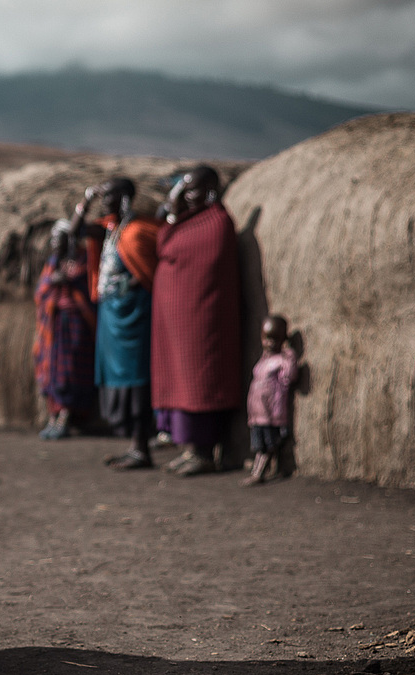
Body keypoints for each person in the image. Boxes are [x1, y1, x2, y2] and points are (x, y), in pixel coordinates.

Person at [152, 166, 244, 476]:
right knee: (177, 378)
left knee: (199, 380)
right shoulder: (186, 222)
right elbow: (163, 245)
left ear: (210, 190)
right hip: (178, 322)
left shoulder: (216, 223)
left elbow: (204, 267)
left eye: (191, 190)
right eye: (183, 189)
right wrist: (174, 204)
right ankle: (188, 448)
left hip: (201, 320)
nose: (186, 196)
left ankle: (203, 452)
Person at [72, 177, 161, 469]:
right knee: (118, 380)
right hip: (111, 316)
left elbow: (152, 270)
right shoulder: (108, 228)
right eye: (102, 196)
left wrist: (128, 286)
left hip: (135, 315)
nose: (103, 200)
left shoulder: (139, 230)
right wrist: (84, 200)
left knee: (137, 379)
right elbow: (75, 231)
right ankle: (134, 446)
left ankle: (141, 448)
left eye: (109, 195)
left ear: (124, 197)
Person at [33, 218, 96, 439]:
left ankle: (66, 417)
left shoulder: (83, 260)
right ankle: (54, 416)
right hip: (54, 325)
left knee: (71, 371)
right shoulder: (52, 263)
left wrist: (68, 281)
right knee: (52, 371)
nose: (54, 243)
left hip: (76, 323)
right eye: (53, 240)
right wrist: (53, 280)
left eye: (59, 239)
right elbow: (40, 293)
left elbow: (90, 289)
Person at [244, 314, 298, 485]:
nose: (270, 343)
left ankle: (259, 473)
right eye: (267, 338)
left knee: (268, 446)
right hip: (257, 414)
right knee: (260, 445)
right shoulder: (263, 361)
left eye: (276, 338)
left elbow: (289, 377)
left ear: (284, 339)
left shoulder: (282, 361)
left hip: (271, 415)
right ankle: (259, 469)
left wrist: (290, 355)